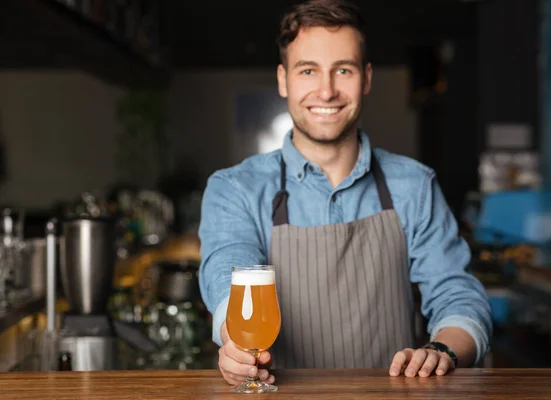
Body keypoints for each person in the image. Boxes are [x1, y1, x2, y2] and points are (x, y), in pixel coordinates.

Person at [199, 0, 492, 386]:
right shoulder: (235, 188)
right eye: (308, 70)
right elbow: (226, 277)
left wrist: (444, 351)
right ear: (284, 79)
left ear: (366, 78)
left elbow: (457, 292)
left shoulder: (414, 185)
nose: (327, 90)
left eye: (343, 69)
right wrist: (236, 344)